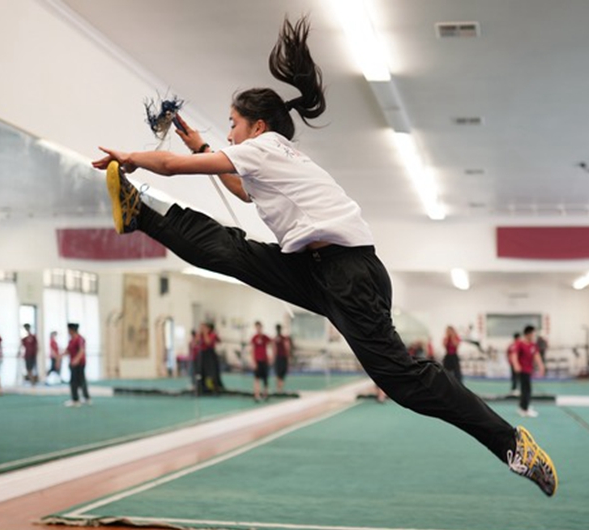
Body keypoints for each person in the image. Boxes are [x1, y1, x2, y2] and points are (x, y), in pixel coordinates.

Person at [91, 15, 556, 496]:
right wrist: (204, 145)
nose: (229, 135)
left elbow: (171, 166)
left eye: (232, 125)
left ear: (258, 125)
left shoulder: (265, 147)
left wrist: (130, 157)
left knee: (403, 380)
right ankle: (140, 215)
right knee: (231, 252)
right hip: (319, 269)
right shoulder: (272, 155)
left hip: (347, 274)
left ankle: (512, 444)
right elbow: (243, 193)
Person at [513, 326, 545, 418]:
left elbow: (537, 356)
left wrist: (541, 367)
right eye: (532, 334)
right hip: (522, 370)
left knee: (526, 389)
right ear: (528, 334)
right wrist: (516, 365)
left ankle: (523, 406)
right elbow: (514, 355)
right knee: (526, 390)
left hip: (528, 370)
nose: (534, 335)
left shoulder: (533, 345)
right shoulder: (520, 344)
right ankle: (524, 409)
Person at [64, 323, 90, 407]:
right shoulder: (71, 340)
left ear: (72, 330)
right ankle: (82, 398)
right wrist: (59, 356)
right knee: (77, 381)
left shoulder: (80, 339)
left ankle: (77, 399)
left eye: (68, 330)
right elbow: (68, 350)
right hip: (73, 363)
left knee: (77, 381)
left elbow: (81, 350)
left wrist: (76, 359)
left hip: (80, 363)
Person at [199, 322, 223, 393]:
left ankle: (214, 388)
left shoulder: (212, 335)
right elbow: (196, 342)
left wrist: (205, 333)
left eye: (204, 327)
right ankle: (204, 388)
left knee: (212, 372)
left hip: (210, 355)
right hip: (203, 355)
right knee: (202, 372)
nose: (202, 329)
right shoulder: (200, 335)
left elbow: (208, 342)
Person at [250, 321, 271, 401]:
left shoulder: (265, 337)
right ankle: (257, 395)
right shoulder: (254, 338)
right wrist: (253, 361)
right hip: (257, 361)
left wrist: (270, 357)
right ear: (255, 328)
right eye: (257, 328)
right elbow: (252, 350)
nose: (258, 329)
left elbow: (271, 345)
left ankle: (265, 394)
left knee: (265, 378)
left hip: (264, 360)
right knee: (257, 378)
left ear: (261, 328)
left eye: (260, 327)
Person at [273, 323, 292, 393]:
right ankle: (279, 389)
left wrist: (288, 357)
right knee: (278, 374)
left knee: (282, 374)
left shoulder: (284, 338)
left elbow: (287, 348)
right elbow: (274, 349)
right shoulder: (276, 338)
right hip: (279, 358)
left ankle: (280, 389)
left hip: (283, 357)